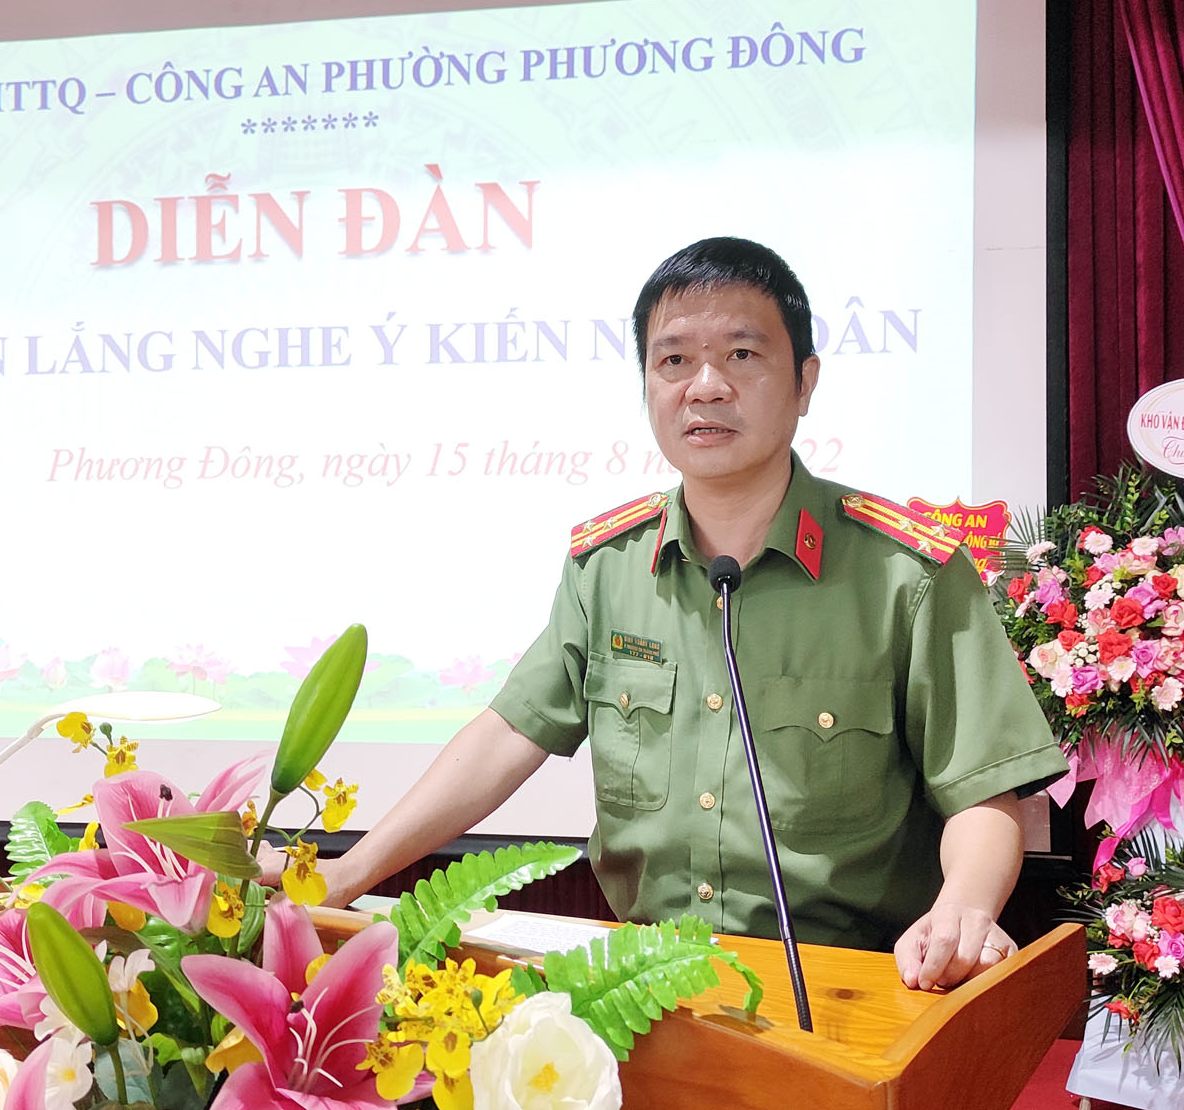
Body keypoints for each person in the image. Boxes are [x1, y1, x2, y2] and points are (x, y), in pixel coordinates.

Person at [303, 237, 1068, 991]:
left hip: (844, 984)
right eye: (673, 361)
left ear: (805, 382)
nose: (705, 387)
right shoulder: (607, 566)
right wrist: (349, 872)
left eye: (741, 355)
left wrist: (963, 908)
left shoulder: (908, 575)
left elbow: (983, 792)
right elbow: (509, 735)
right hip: (640, 984)